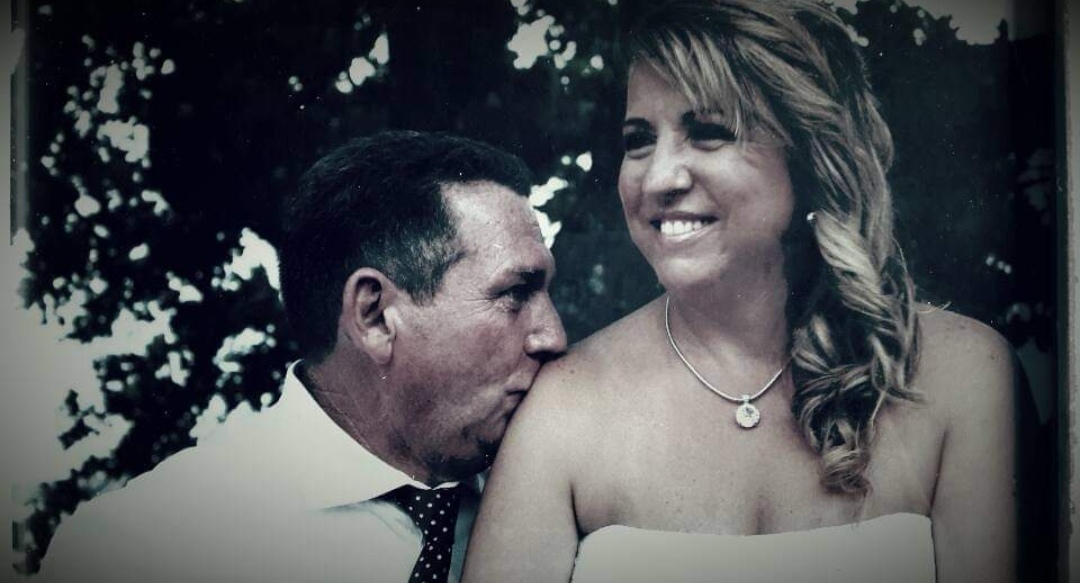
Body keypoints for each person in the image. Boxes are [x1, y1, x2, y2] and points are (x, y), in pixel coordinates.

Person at [462, 1, 1017, 582]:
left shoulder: (966, 377)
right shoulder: (563, 407)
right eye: (639, 140)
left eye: (708, 133)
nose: (658, 178)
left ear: (808, 155)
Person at [39, 130, 567, 583]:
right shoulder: (139, 549)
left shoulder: (566, 502)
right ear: (375, 316)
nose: (553, 336)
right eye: (515, 293)